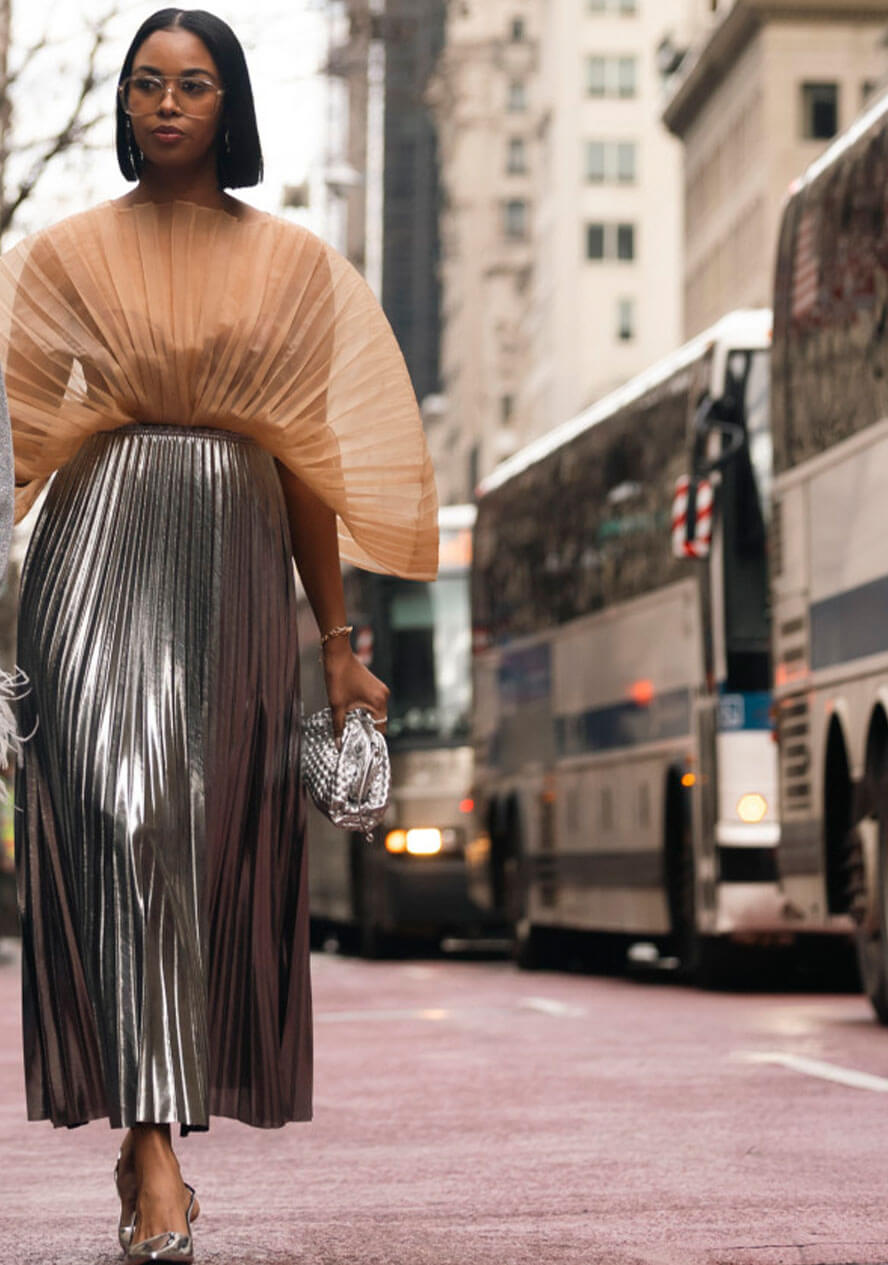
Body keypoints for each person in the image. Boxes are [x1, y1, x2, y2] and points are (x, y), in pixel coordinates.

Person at [0, 9, 438, 1263]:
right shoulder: (63, 257)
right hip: (92, 555)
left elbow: (310, 465)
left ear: (229, 104)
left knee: (199, 844)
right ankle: (148, 1154)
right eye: (147, 84)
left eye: (193, 84)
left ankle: (161, 1139)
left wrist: (338, 640)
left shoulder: (292, 264)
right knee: (113, 821)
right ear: (125, 108)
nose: (167, 102)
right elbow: (12, 440)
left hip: (240, 567)